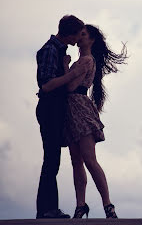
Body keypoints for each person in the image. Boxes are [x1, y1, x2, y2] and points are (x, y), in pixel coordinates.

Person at [63, 24, 127, 219]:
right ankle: (80, 205)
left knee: (89, 160)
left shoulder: (86, 61)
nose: (79, 37)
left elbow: (71, 85)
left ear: (91, 40)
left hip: (80, 110)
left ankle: (108, 204)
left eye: (83, 35)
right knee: (76, 162)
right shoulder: (81, 60)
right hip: (71, 111)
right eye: (79, 33)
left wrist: (65, 65)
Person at [35, 15, 90, 219]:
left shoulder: (58, 51)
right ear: (70, 33)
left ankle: (50, 209)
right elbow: (47, 85)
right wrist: (72, 74)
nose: (79, 39)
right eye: (78, 34)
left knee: (53, 159)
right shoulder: (50, 50)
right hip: (49, 108)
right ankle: (46, 210)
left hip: (55, 109)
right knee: (51, 160)